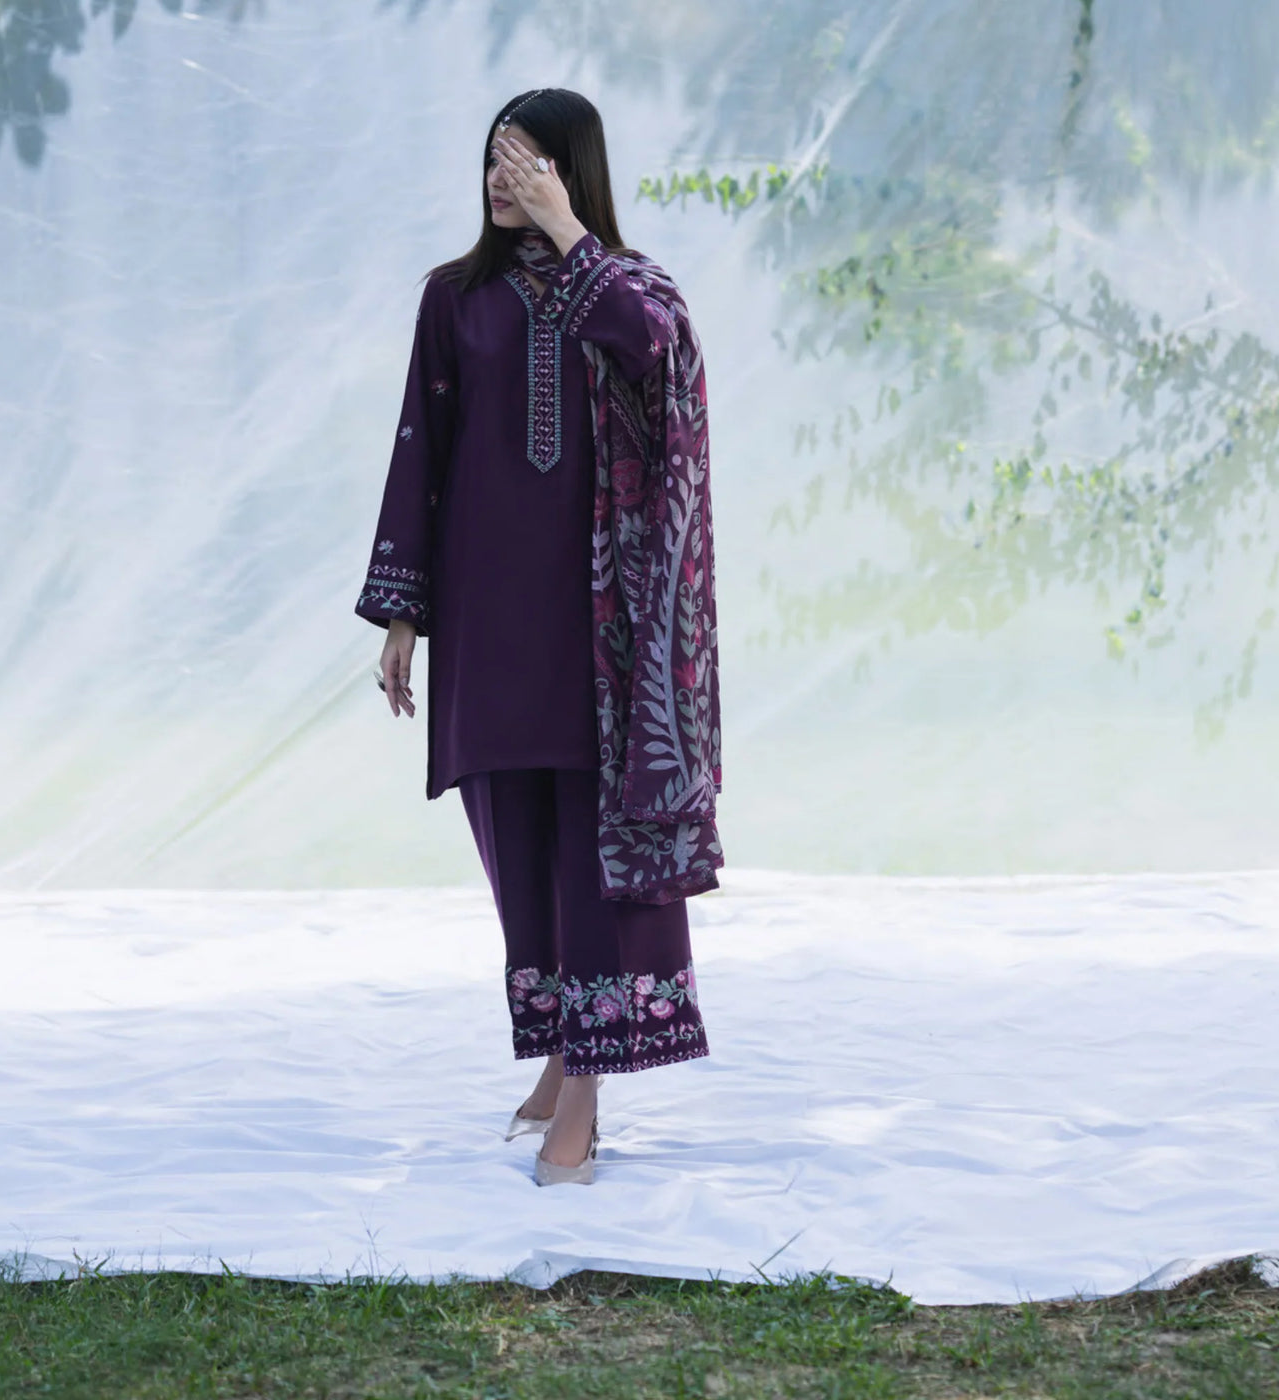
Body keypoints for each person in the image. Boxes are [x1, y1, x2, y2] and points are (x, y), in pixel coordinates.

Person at [355, 87, 723, 1186]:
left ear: (571, 173)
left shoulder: (632, 288)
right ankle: (563, 1045)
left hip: (602, 627)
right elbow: (420, 450)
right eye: (492, 161)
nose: (502, 180)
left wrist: (569, 236)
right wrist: (403, 613)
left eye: (526, 164)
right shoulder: (454, 299)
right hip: (487, 614)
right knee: (512, 835)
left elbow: (651, 353)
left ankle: (587, 1091)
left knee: (590, 846)